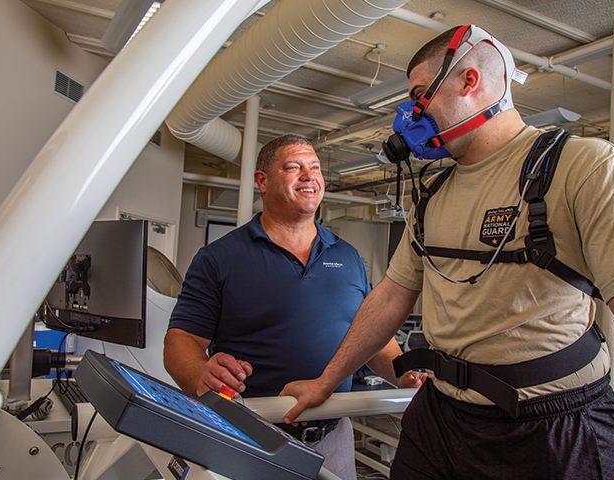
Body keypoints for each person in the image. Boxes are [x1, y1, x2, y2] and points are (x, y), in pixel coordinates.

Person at [280, 24, 614, 480]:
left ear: (468, 82)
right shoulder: (432, 192)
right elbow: (392, 296)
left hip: (549, 425)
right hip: (440, 417)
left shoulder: (584, 167)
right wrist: (326, 381)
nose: (410, 112)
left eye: (419, 94)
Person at [164, 134, 425, 480]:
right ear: (263, 181)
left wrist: (402, 371)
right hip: (253, 436)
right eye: (294, 167)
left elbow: (370, 336)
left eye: (315, 168)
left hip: (334, 439)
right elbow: (179, 341)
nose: (310, 176)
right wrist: (199, 372)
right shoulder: (219, 258)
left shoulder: (348, 256)